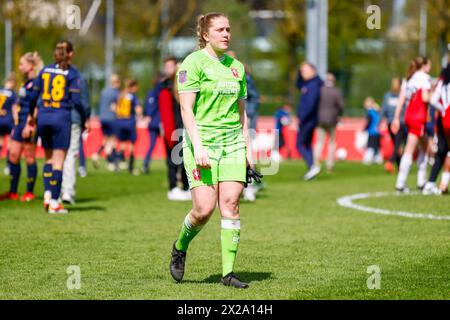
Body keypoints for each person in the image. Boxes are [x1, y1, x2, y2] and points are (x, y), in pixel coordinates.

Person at [169, 12, 262, 289]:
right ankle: (180, 246)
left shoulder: (238, 68)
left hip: (232, 142)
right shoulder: (192, 63)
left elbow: (242, 112)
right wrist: (197, 146)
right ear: (205, 35)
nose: (226, 34)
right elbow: (186, 108)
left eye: (229, 29)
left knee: (231, 204)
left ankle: (228, 273)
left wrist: (247, 149)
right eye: (220, 30)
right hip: (203, 142)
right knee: (204, 209)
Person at [24, 40, 87, 214]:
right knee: (59, 162)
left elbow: (32, 96)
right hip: (61, 117)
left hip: (44, 117)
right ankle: (54, 202)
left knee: (48, 159)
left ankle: (46, 195)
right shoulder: (72, 73)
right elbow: (75, 101)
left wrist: (31, 115)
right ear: (70, 54)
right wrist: (84, 117)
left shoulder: (44, 70)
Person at [0, 53, 42, 201]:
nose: (19, 67)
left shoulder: (37, 82)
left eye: (21, 64)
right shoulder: (25, 83)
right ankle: (13, 191)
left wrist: (30, 124)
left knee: (29, 157)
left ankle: (29, 192)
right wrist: (17, 123)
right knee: (13, 155)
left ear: (31, 66)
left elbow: (37, 105)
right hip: (19, 124)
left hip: (29, 124)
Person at [391, 56, 432, 192]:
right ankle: (402, 183)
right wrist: (436, 95)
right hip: (418, 116)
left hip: (409, 115)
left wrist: (396, 118)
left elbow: (401, 100)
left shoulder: (409, 78)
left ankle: (421, 181)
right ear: (424, 65)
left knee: (424, 147)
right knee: (411, 149)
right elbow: (426, 97)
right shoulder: (424, 78)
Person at [157, 57, 190, 201]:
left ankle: (185, 187)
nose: (168, 69)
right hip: (173, 128)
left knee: (184, 160)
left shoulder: (182, 81)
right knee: (173, 160)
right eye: (166, 67)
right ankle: (173, 187)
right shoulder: (164, 86)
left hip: (183, 127)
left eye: (171, 66)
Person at [61, 72, 91, 205]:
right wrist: (85, 117)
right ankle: (68, 191)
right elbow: (82, 101)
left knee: (56, 156)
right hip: (73, 118)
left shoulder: (49, 72)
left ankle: (53, 192)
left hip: (55, 117)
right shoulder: (78, 76)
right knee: (70, 155)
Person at [423, 64, 450, 194]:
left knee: (443, 150)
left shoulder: (442, 82)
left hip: (444, 121)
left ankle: (432, 182)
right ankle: (443, 184)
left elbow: (433, 100)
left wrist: (444, 110)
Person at [296, 62, 323, 181]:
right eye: (301, 71)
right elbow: (298, 84)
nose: (303, 74)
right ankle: (312, 168)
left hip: (308, 120)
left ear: (313, 71)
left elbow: (310, 105)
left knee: (300, 144)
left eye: (305, 71)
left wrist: (302, 118)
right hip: (310, 119)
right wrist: (299, 72)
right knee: (307, 144)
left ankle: (312, 166)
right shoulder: (309, 84)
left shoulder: (313, 86)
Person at [313, 73, 344, 172]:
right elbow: (341, 106)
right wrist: (337, 114)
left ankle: (316, 163)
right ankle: (329, 165)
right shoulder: (337, 91)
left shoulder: (319, 90)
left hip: (320, 120)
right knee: (331, 142)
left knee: (319, 142)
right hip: (332, 120)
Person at [92, 74, 120, 171]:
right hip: (112, 118)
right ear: (116, 82)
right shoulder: (116, 93)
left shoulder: (103, 92)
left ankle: (97, 154)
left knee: (105, 140)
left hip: (102, 118)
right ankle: (110, 162)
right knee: (112, 141)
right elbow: (117, 107)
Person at [114, 79, 142, 175]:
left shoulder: (121, 95)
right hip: (129, 122)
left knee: (121, 145)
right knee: (131, 145)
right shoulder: (133, 97)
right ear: (133, 87)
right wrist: (139, 115)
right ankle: (130, 168)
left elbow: (115, 108)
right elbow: (138, 110)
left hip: (120, 121)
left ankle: (117, 166)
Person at [0, 74, 19, 198]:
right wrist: (17, 123)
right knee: (11, 147)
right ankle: (8, 166)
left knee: (1, 143)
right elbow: (14, 109)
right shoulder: (12, 94)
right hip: (8, 122)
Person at [381, 77, 403, 173]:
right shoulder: (401, 95)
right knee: (397, 145)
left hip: (392, 123)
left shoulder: (388, 96)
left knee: (396, 145)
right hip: (398, 123)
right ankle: (390, 162)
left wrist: (380, 121)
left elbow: (383, 110)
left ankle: (399, 167)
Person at [142, 73, 162, 174]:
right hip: (158, 122)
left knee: (152, 144)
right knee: (170, 144)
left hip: (152, 123)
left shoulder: (150, 92)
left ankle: (145, 163)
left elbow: (146, 107)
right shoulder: (158, 91)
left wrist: (146, 115)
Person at [362, 97, 382, 165]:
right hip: (378, 132)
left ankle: (367, 159)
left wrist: (364, 129)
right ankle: (378, 159)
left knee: (370, 146)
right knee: (376, 147)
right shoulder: (376, 112)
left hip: (372, 132)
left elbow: (368, 122)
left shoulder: (370, 112)